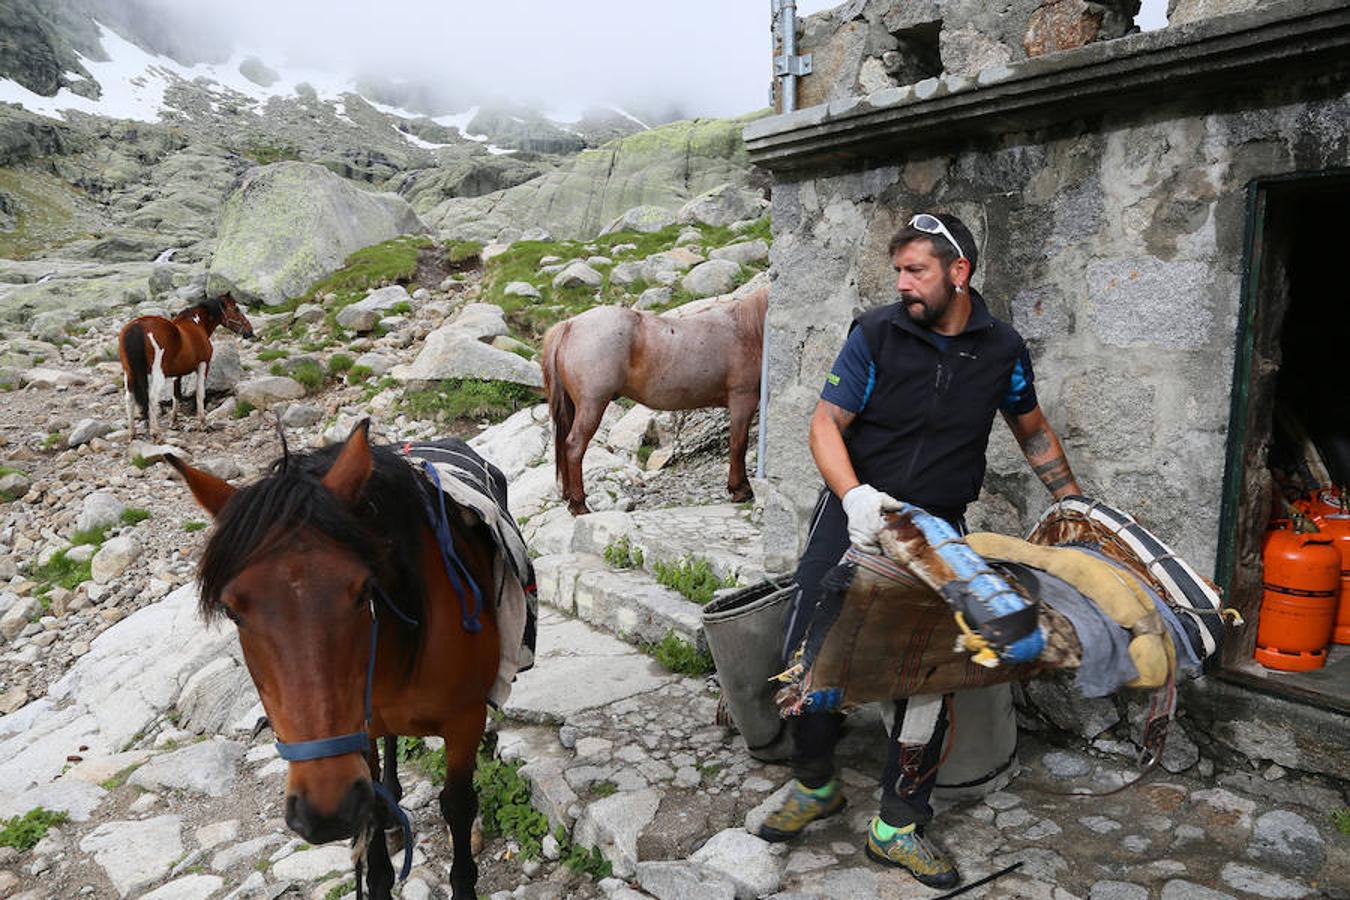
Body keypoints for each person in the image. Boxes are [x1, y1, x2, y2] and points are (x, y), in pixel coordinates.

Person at [757, 213, 1081, 888]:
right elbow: (825, 423)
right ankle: (816, 784)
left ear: (959, 273)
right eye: (898, 271)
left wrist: (1072, 504)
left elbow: (1033, 428)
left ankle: (897, 826)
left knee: (925, 678)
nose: (902, 284)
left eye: (916, 272)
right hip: (854, 516)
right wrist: (853, 498)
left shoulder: (1001, 350)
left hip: (938, 530)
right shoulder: (876, 333)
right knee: (811, 658)